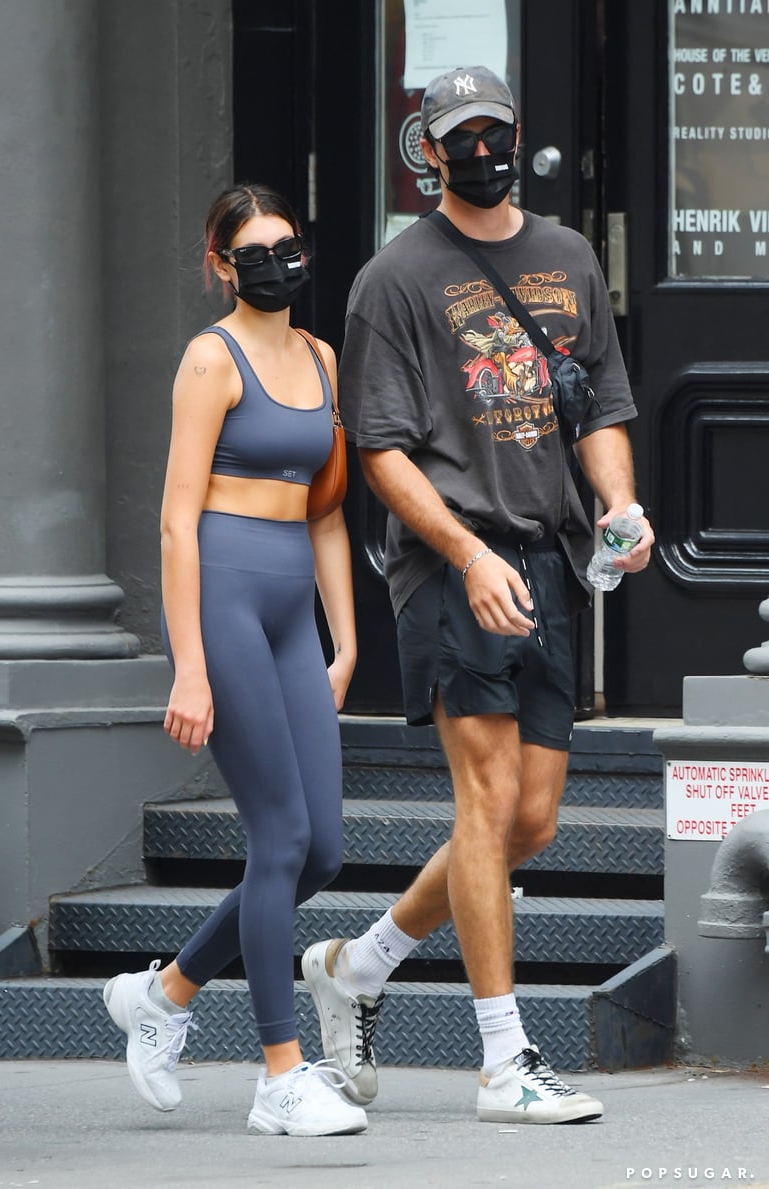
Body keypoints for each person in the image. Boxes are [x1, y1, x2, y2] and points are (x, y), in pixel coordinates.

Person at [302, 66, 654, 1124]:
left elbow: (600, 404)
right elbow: (381, 451)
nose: (483, 149)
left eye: (496, 130)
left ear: (515, 133)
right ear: (429, 150)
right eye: (462, 136)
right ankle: (504, 1059)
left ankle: (356, 964)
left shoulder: (569, 257)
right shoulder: (394, 279)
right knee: (486, 799)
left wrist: (620, 509)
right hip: (454, 563)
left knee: (530, 821)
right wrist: (463, 554)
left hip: (547, 557)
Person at [102, 183, 366, 1137]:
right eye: (255, 250)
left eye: (288, 244)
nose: (278, 262)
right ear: (220, 263)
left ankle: (164, 993)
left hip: (294, 605)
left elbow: (329, 508)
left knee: (321, 850)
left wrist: (345, 639)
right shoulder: (210, 360)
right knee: (280, 838)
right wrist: (188, 664)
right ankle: (279, 1074)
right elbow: (176, 519)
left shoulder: (325, 358)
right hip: (222, 596)